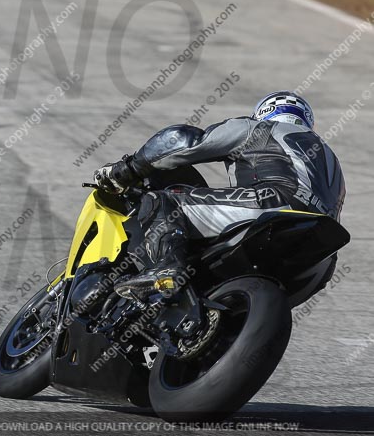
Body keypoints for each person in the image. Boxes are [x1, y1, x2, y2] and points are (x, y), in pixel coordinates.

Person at [94, 91, 345, 296]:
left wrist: (128, 168)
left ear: (264, 113)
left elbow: (183, 140)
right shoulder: (331, 162)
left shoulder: (260, 128)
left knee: (165, 201)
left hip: (273, 203)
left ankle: (166, 266)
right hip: (320, 260)